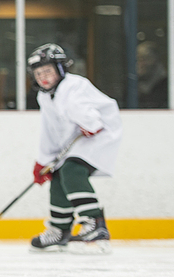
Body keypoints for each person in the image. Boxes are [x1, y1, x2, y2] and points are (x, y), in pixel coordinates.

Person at [27, 43, 122, 253]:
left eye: (48, 71)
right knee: (59, 174)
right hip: (80, 138)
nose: (43, 77)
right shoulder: (44, 96)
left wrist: (92, 124)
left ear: (60, 70)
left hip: (100, 134)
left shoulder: (73, 85)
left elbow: (84, 111)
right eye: (39, 73)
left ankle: (95, 223)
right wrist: (44, 161)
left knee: (72, 169)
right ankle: (59, 230)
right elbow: (49, 129)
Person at [136, 40, 169, 109]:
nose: (140, 64)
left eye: (143, 59)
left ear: (154, 60)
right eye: (138, 60)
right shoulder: (134, 81)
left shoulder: (164, 83)